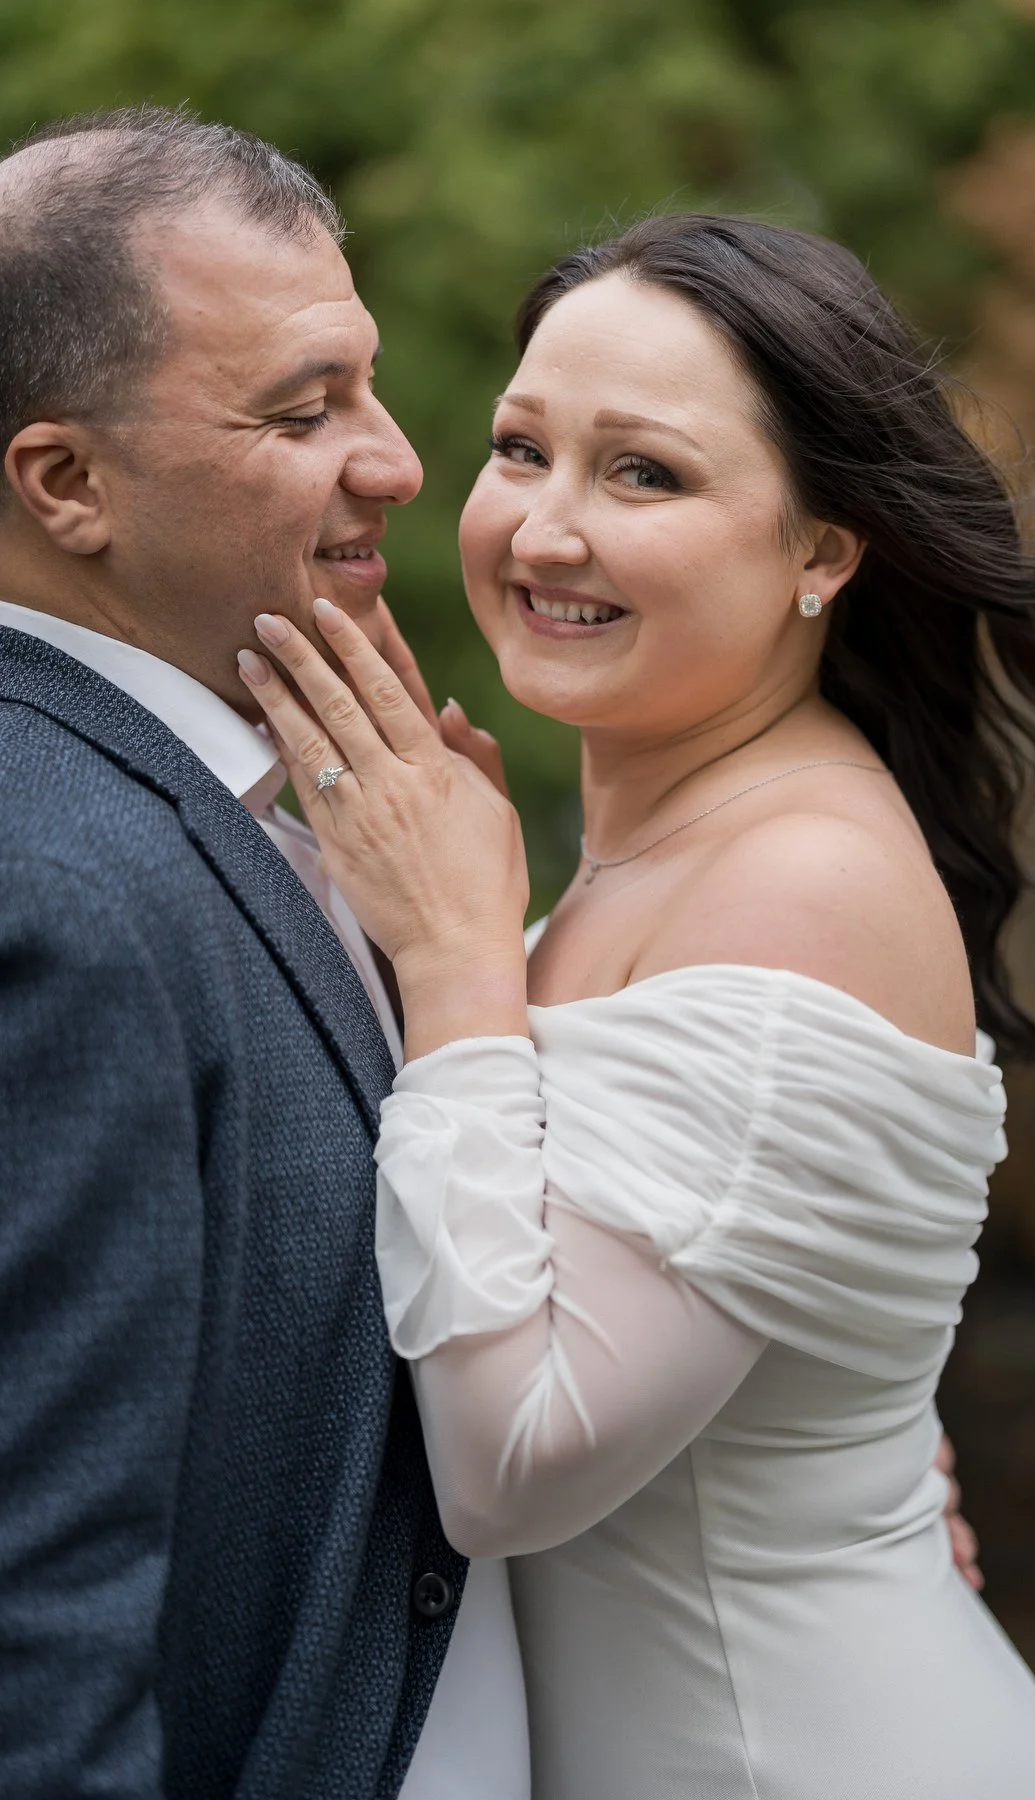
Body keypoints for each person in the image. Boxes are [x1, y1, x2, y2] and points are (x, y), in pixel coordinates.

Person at [244, 214, 1035, 1799]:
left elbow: (510, 1466)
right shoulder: (670, 840)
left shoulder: (798, 878)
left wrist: (461, 964)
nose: (546, 530)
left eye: (645, 474)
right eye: (522, 449)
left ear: (824, 551)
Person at [0, 105, 530, 1797]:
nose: (399, 463)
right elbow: (42, 1612)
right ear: (66, 484)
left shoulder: (238, 816)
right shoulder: (56, 892)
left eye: (367, 386)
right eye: (305, 412)